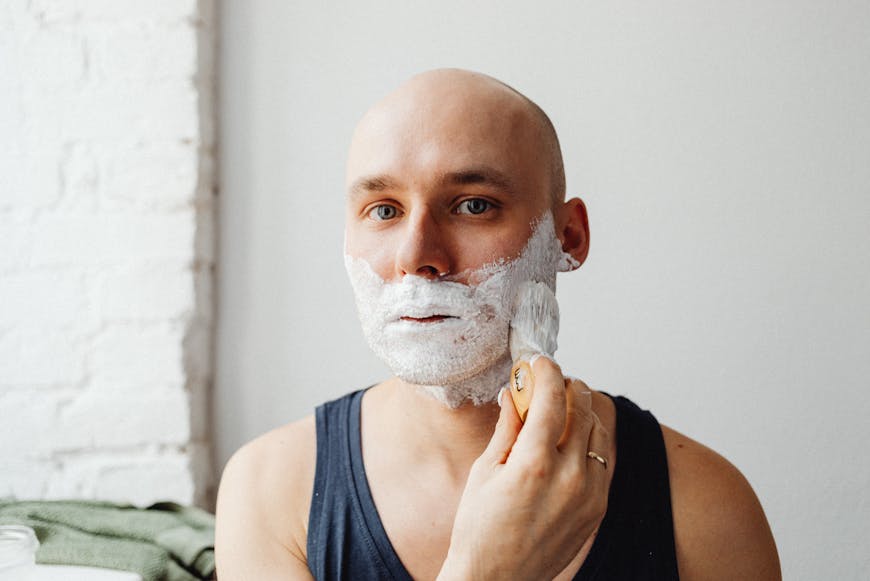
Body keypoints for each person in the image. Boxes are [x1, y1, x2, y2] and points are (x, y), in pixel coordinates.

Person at [215, 68, 781, 580]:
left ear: (569, 237)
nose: (417, 255)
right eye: (384, 210)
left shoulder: (704, 506)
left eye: (473, 205)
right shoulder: (271, 491)